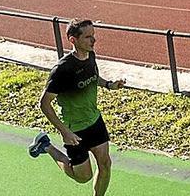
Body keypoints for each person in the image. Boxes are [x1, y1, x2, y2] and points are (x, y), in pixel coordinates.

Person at [28, 19, 125, 196]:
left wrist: (110, 85)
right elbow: (44, 103)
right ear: (73, 40)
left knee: (105, 165)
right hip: (74, 130)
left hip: (94, 121)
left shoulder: (90, 55)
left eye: (93, 35)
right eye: (88, 37)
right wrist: (65, 132)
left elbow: (95, 77)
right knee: (83, 177)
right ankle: (46, 146)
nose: (93, 40)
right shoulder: (62, 70)